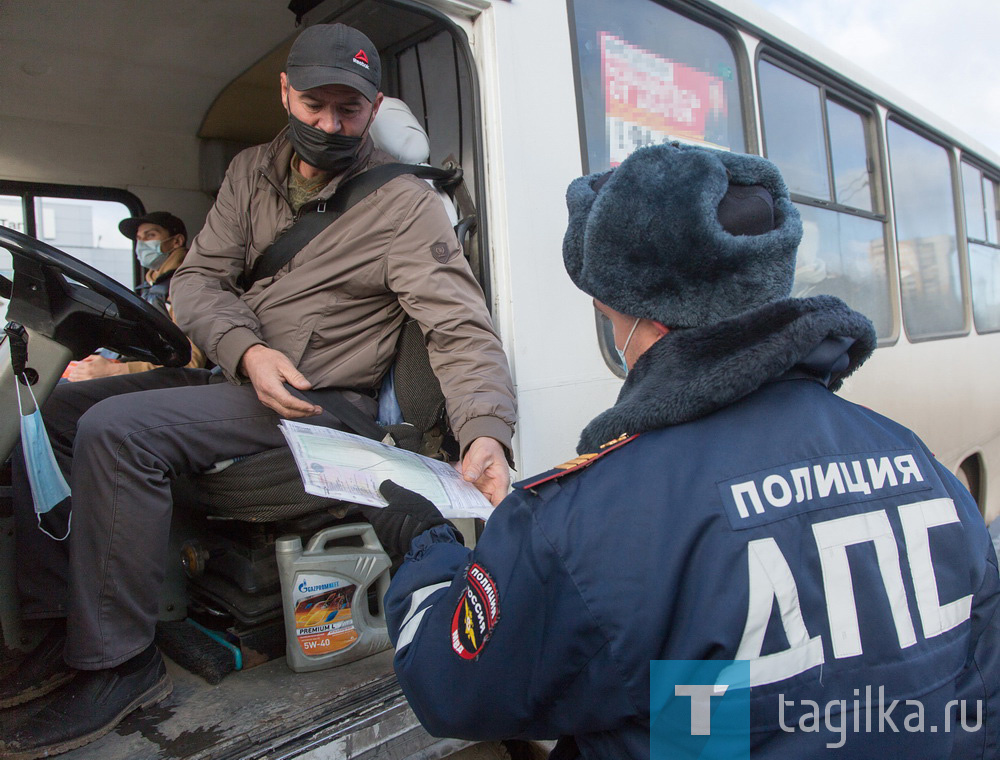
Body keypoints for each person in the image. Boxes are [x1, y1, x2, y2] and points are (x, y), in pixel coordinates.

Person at [370, 143, 1000, 759]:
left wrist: (422, 542)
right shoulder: (916, 462)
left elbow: (449, 688)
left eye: (610, 318)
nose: (618, 339)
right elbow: (982, 692)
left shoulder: (592, 520)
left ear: (654, 322)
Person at [0, 22, 515, 759]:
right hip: (245, 374)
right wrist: (246, 352)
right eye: (314, 106)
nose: (330, 126)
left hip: (325, 403)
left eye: (350, 111)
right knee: (59, 410)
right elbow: (201, 279)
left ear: (374, 107)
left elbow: (460, 327)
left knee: (120, 433)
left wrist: (486, 429)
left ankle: (119, 665)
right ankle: (59, 622)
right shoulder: (250, 173)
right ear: (286, 91)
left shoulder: (403, 206)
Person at [65, 210, 206, 380]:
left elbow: (192, 363)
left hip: (160, 381)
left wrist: (114, 371)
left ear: (176, 241)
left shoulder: (187, 284)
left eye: (150, 235)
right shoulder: (150, 287)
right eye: (139, 239)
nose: (142, 244)